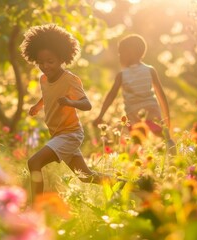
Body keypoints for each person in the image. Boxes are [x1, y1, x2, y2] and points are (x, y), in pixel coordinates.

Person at [20, 24, 113, 198]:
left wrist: (70, 102)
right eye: (40, 62)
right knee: (86, 177)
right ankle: (130, 184)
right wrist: (38, 105)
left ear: (62, 58)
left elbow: (87, 104)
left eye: (50, 61)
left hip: (70, 134)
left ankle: (36, 209)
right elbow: (48, 94)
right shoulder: (43, 79)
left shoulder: (70, 80)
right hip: (58, 134)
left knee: (34, 162)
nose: (45, 66)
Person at [93, 34, 175, 148]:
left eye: (121, 53)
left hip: (133, 114)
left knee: (138, 143)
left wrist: (100, 115)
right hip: (152, 110)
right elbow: (161, 95)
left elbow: (111, 96)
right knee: (165, 138)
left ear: (129, 53)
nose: (119, 57)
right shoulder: (150, 70)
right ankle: (173, 157)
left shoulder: (122, 75)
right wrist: (167, 119)